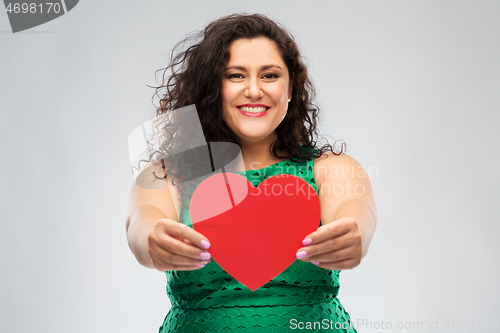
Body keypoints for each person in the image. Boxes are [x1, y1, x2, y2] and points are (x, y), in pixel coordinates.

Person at [126, 13, 377, 333]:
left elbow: (356, 211)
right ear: (212, 88)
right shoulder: (167, 174)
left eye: (270, 75)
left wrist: (354, 233)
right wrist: (152, 239)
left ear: (290, 88)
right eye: (235, 76)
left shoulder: (331, 168)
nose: (254, 90)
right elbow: (141, 220)